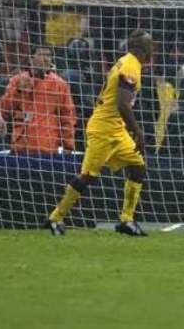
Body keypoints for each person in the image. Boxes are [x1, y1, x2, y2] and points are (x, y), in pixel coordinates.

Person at [48, 30, 155, 237]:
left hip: (115, 128)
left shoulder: (127, 62)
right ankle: (56, 217)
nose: (153, 49)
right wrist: (139, 132)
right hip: (103, 129)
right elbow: (123, 103)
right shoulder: (131, 66)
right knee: (87, 176)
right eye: (150, 45)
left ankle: (126, 219)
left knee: (138, 167)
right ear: (140, 48)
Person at [0, 45, 76, 154]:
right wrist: (18, 92)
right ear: (31, 58)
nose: (45, 59)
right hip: (20, 147)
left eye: (48, 55)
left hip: (47, 148)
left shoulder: (60, 85)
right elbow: (4, 110)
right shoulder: (17, 80)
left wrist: (68, 146)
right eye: (41, 55)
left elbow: (67, 117)